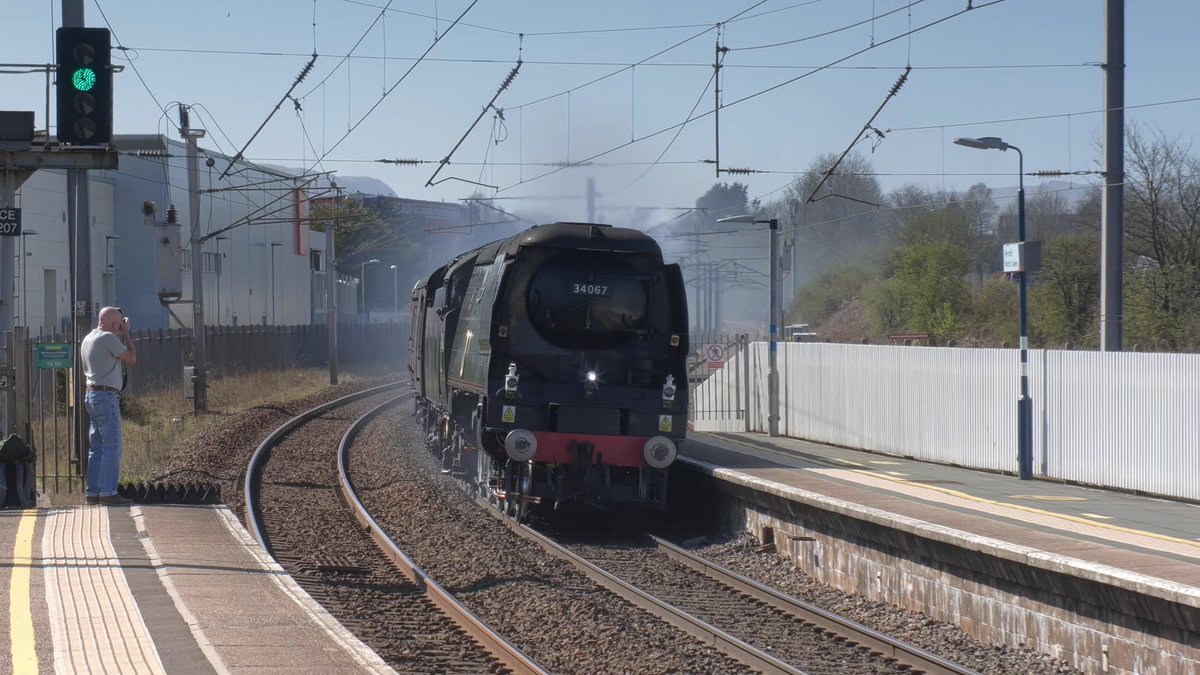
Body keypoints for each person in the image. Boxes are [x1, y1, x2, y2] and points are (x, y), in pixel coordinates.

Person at [81, 307, 137, 506]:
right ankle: (108, 493)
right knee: (113, 446)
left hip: (92, 395)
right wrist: (127, 334)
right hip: (106, 396)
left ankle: (93, 492)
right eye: (120, 323)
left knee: (96, 448)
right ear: (115, 324)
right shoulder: (108, 338)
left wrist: (120, 329)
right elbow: (131, 358)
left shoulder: (88, 338)